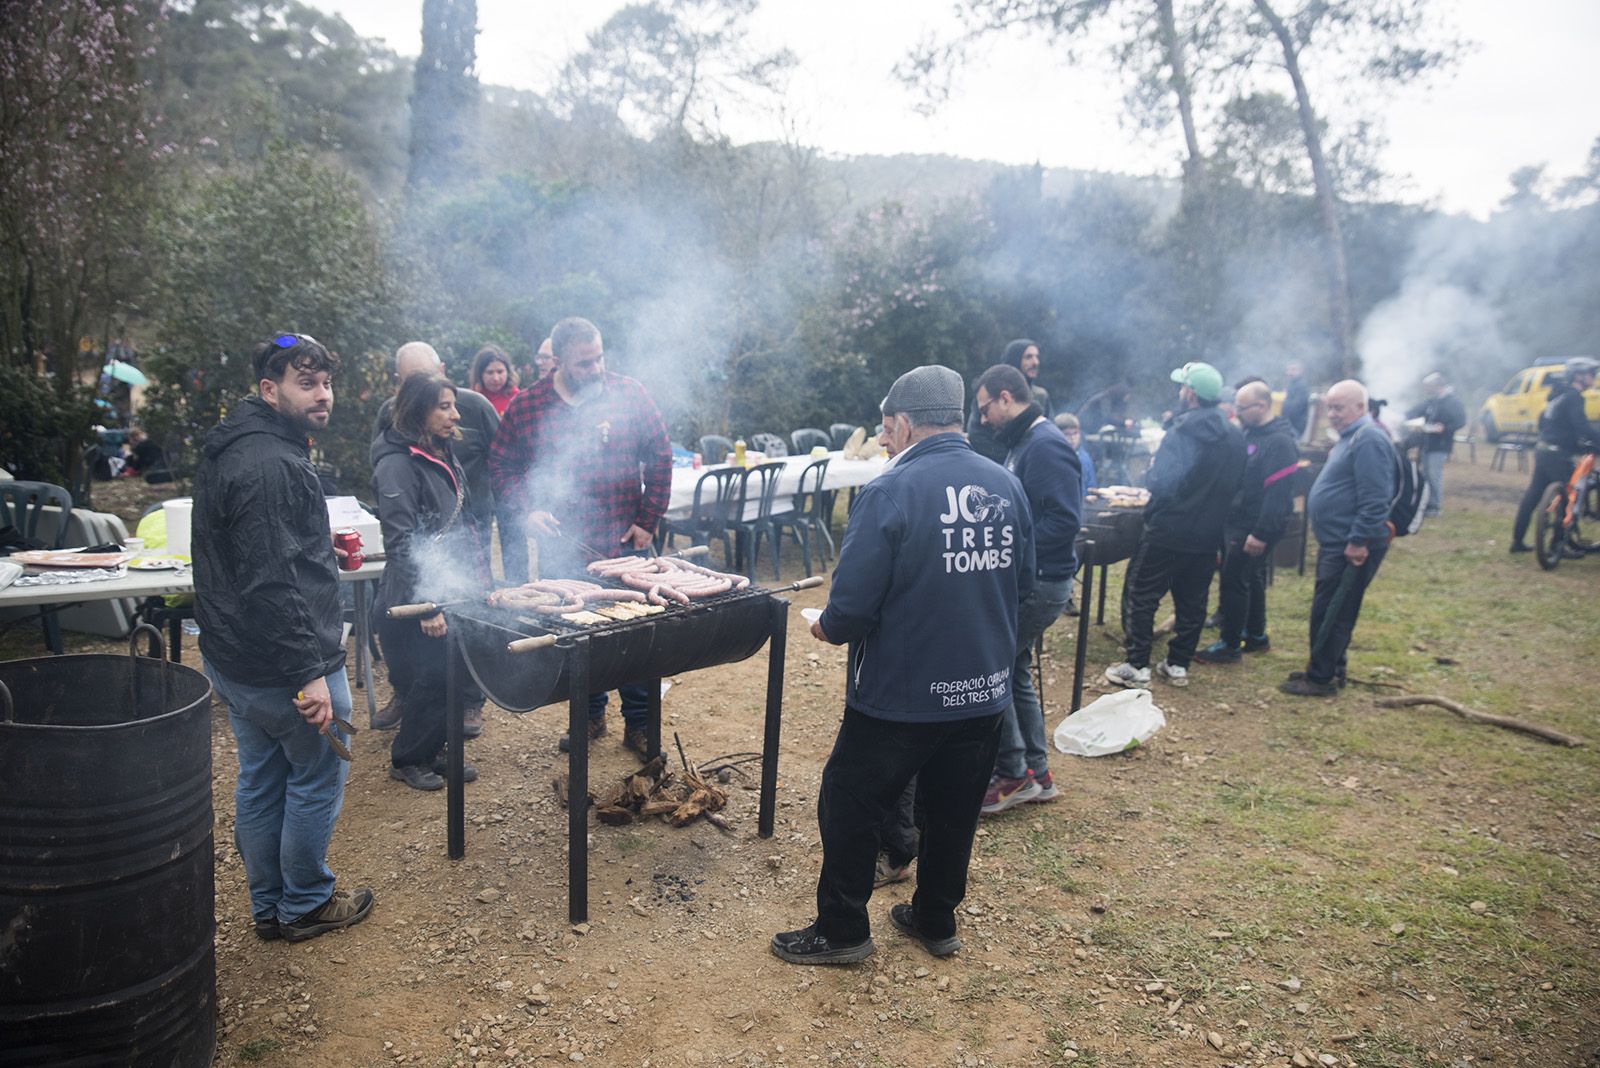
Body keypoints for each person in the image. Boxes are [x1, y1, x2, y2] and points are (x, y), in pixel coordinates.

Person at [771, 365, 1033, 965]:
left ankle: (842, 931)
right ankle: (935, 919)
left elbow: (853, 608)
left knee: (849, 799)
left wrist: (825, 626)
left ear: (907, 422)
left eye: (887, 428)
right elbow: (1021, 583)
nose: (883, 441)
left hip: (900, 697)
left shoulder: (888, 493)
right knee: (953, 810)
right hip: (985, 692)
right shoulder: (1005, 485)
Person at [191, 332, 374, 943]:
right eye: (306, 383)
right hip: (284, 666)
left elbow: (255, 555)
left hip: (236, 659)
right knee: (319, 773)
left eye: (325, 382)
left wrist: (317, 551)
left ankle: (268, 907)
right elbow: (271, 581)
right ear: (270, 390)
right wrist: (308, 674)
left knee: (262, 775)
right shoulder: (269, 463)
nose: (323, 395)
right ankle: (305, 903)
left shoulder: (239, 444)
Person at [489, 316, 672, 758]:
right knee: (578, 634)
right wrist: (527, 509)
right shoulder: (528, 405)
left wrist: (648, 519)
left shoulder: (628, 393)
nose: (595, 370)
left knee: (639, 635)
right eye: (584, 363)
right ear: (557, 361)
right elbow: (501, 466)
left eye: (599, 359)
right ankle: (588, 715)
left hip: (626, 545)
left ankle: (641, 724)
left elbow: (662, 455)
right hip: (562, 549)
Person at [373, 342, 501, 734]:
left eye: (452, 404)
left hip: (453, 567)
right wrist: (428, 604)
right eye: (443, 407)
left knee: (447, 665)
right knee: (424, 668)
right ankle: (415, 751)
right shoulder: (397, 458)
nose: (454, 414)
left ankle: (445, 731)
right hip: (419, 583)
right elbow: (401, 539)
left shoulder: (443, 442)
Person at [972, 363, 1081, 813]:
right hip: (1034, 580)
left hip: (1042, 582)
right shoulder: (1026, 442)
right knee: (1013, 669)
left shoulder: (1046, 446)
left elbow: (1064, 520)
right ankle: (1038, 774)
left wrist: (1012, 546)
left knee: (995, 666)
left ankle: (1014, 774)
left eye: (984, 409)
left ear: (1004, 398)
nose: (982, 420)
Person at [1106, 362, 1245, 689]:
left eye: (1183, 387)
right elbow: (1237, 485)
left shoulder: (1182, 431)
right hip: (1209, 534)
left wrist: (1152, 483)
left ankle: (1136, 665)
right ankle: (1178, 664)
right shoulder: (1236, 436)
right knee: (1193, 601)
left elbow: (1164, 482)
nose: (1180, 392)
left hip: (1168, 530)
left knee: (1142, 594)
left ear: (1191, 394)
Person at [1279, 380, 1397, 697]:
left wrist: (1359, 540)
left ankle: (1320, 679)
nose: (1332, 414)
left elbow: (1375, 498)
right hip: (1337, 541)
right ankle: (1329, 666)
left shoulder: (1369, 439)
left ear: (1361, 407)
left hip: (1351, 544)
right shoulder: (1350, 437)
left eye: (1339, 407)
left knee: (1333, 611)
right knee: (1330, 608)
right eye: (1329, 407)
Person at [1194, 381, 1299, 664]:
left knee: (1234, 580)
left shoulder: (1279, 442)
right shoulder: (1252, 432)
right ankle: (1256, 636)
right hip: (1240, 519)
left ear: (1262, 406)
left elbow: (1278, 494)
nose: (1237, 412)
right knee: (1251, 578)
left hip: (1255, 524)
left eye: (1242, 407)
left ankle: (1229, 646)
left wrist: (1261, 533)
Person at [1511, 357, 1599, 554]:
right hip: (1558, 453)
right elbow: (1581, 426)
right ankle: (1558, 545)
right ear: (1578, 376)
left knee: (1533, 495)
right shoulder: (1574, 397)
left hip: (1543, 449)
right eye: (1591, 374)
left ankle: (1517, 541)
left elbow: (1546, 422)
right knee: (1567, 496)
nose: (1594, 378)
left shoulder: (1557, 395)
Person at [967, 338, 1046, 462]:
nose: (1035, 362)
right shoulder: (989, 393)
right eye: (1028, 357)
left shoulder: (1041, 395)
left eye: (1036, 356)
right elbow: (978, 436)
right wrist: (1010, 462)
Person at [1404, 371, 1467, 517]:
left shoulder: (1452, 402)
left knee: (1434, 475)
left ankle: (1435, 507)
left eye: (1428, 386)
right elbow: (1416, 411)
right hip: (1427, 443)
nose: (1426, 389)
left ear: (1437, 386)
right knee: (1426, 474)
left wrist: (1445, 428)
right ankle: (1426, 503)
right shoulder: (1433, 401)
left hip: (1440, 444)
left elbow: (1460, 421)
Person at [471, 343, 521, 417]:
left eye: (500, 372)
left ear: (508, 372)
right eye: (490, 372)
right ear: (480, 374)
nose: (496, 378)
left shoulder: (516, 398)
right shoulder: (473, 398)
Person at [1054, 412, 1097, 492]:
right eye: (1067, 434)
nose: (1072, 438)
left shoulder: (1084, 457)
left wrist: (1091, 494)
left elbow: (1091, 483)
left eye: (1075, 433)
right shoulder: (1055, 459)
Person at [1282, 360, 1310, 438]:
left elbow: (1296, 407)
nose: (1290, 373)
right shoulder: (1292, 384)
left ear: (1301, 371)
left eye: (1293, 370)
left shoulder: (1301, 386)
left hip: (1295, 426)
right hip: (1289, 424)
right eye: (1288, 370)